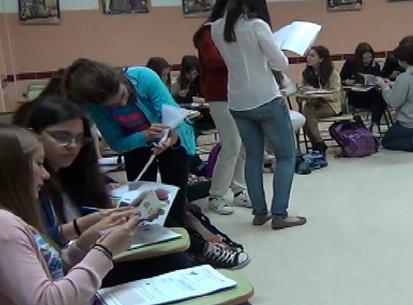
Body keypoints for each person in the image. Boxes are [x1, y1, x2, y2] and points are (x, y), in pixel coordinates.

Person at [0, 124, 276, 305]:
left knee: (184, 275)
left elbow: (47, 270)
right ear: (9, 172)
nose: (44, 175)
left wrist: (87, 244)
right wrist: (105, 253)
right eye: (36, 164)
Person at [13, 96, 250, 269]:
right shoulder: (30, 183)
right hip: (84, 264)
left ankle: (202, 250)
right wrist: (92, 226)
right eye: (62, 137)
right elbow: (47, 245)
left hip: (92, 253)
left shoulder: (72, 172)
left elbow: (86, 214)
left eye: (79, 139)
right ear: (32, 135)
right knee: (171, 253)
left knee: (173, 210)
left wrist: (118, 213)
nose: (73, 146)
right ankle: (202, 250)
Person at [59, 58, 196, 230]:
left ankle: (184, 240)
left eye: (123, 96)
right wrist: (143, 137)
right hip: (135, 145)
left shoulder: (144, 77)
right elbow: (117, 143)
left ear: (121, 80)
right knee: (143, 200)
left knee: (176, 197)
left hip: (172, 139)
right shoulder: (94, 107)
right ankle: (155, 239)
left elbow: (175, 115)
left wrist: (172, 137)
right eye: (114, 105)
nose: (122, 103)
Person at [211, 0, 306, 230]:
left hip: (237, 101)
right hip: (265, 98)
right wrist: (276, 44)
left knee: (252, 157)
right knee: (285, 157)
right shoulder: (257, 26)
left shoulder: (216, 27)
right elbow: (280, 62)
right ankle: (280, 214)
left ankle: (259, 212)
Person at [193, 0, 253, 216]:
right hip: (220, 95)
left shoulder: (237, 33)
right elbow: (212, 59)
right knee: (231, 145)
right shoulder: (207, 31)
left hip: (240, 94)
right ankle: (216, 195)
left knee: (244, 145)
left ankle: (238, 190)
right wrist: (241, 52)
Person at [298, 45, 342, 155]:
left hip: (330, 104)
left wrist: (316, 91)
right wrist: (302, 89)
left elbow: (335, 94)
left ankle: (318, 144)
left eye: (312, 56)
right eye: (308, 55)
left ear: (321, 59)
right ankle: (318, 144)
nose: (309, 58)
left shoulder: (332, 73)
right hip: (313, 104)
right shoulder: (306, 73)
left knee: (308, 113)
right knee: (306, 114)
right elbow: (299, 85)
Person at [340, 42, 388, 130]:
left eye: (370, 57)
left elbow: (377, 78)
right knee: (348, 108)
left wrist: (374, 70)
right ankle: (354, 126)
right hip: (355, 95)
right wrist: (347, 81)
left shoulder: (374, 65)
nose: (367, 60)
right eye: (364, 58)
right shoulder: (350, 63)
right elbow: (341, 79)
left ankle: (375, 124)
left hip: (371, 95)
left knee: (380, 100)